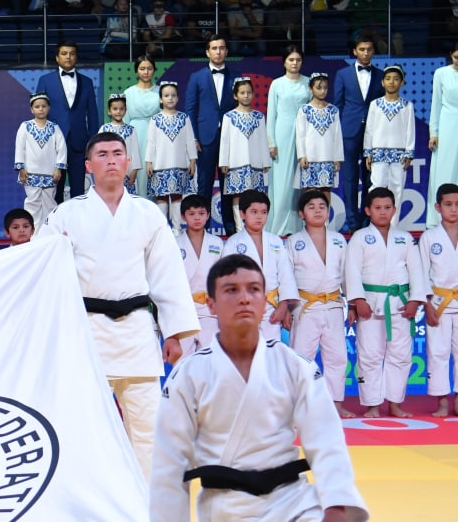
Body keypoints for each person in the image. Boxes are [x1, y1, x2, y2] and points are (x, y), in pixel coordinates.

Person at [151, 253, 368, 522]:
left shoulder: (293, 366)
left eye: (253, 289)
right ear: (211, 303)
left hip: (291, 498)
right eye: (231, 290)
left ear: (266, 299)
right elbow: (169, 460)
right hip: (228, 510)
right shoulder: (190, 374)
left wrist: (336, 506)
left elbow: (325, 437)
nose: (244, 299)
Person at [45, 132, 200, 479]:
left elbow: (167, 276)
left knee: (148, 428)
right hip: (86, 331)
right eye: (102, 154)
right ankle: (91, 497)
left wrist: (174, 333)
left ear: (128, 162)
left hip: (136, 331)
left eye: (118, 153)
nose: (111, 160)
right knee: (85, 428)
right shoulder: (66, 214)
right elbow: (43, 272)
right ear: (88, 166)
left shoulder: (147, 213)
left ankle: (149, 500)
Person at [346, 187, 427, 418]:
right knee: (369, 354)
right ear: (368, 210)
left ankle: (394, 403)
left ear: (394, 209)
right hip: (369, 304)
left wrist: (415, 300)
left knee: (400, 355)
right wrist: (357, 300)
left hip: (399, 304)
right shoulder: (360, 237)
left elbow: (416, 271)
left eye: (387, 208)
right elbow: (351, 270)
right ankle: (372, 405)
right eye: (377, 208)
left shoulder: (405, 238)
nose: (383, 212)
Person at [285, 190, 352, 417]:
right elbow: (287, 278)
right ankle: (299, 407)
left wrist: (352, 303)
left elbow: (347, 274)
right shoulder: (293, 242)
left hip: (333, 304)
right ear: (301, 213)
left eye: (322, 207)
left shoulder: (338, 240)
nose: (317, 211)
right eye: (311, 207)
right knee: (301, 357)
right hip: (304, 306)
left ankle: (335, 404)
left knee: (337, 357)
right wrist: (287, 308)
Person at [224, 191, 298, 342]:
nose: (259, 217)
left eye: (263, 212)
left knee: (271, 352)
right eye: (254, 212)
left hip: (271, 308)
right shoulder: (233, 243)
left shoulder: (275, 241)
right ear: (242, 214)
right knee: (245, 352)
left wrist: (283, 306)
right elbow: (226, 280)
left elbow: (286, 276)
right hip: (243, 308)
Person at [34, 42, 99, 201]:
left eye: (72, 53)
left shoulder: (87, 82)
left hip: (80, 144)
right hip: (53, 144)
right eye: (64, 53)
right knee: (54, 191)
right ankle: (56, 217)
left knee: (79, 191)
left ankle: (78, 218)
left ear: (76, 57)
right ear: (57, 58)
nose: (68, 57)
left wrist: (91, 145)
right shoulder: (45, 80)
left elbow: (92, 115)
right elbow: (39, 112)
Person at [332, 35, 384, 231]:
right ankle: (353, 222)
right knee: (350, 178)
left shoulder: (381, 75)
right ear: (354, 51)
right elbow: (338, 105)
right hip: (349, 131)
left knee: (372, 178)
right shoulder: (342, 74)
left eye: (369, 49)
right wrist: (336, 134)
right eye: (362, 49)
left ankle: (367, 220)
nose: (365, 53)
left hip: (374, 132)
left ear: (373, 51)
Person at [185, 36, 236, 232]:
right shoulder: (196, 77)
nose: (218, 52)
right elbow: (190, 109)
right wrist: (194, 137)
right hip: (204, 139)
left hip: (229, 139)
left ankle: (231, 229)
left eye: (222, 48)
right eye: (214, 48)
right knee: (204, 185)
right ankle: (201, 228)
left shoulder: (236, 76)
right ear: (207, 52)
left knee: (229, 186)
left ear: (227, 51)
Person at [265, 46, 311, 236]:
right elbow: (271, 115)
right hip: (282, 134)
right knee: (282, 182)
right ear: (284, 62)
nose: (294, 63)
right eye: (291, 59)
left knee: (301, 181)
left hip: (304, 134)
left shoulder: (308, 83)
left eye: (298, 60)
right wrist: (271, 142)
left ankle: (298, 226)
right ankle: (278, 226)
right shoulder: (277, 84)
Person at [219, 78, 272, 235]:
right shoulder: (229, 116)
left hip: (255, 162)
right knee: (237, 194)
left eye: (249, 92)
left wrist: (265, 160)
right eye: (242, 93)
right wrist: (224, 161)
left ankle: (255, 227)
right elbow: (225, 141)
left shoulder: (259, 116)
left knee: (255, 196)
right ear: (235, 95)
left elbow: (263, 139)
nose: (246, 95)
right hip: (235, 161)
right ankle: (239, 228)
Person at [422, 184, 458, 416]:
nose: (454, 209)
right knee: (438, 352)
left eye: (457, 204)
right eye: (448, 204)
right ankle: (442, 401)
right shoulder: (429, 237)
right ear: (438, 207)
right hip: (439, 303)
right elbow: (422, 274)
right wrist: (427, 305)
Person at [363, 65, 415, 220]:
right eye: (388, 79)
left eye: (396, 79)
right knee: (377, 187)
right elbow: (369, 130)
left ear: (402, 83)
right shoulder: (375, 104)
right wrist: (368, 152)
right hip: (378, 152)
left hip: (399, 153)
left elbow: (410, 130)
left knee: (397, 188)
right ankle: (375, 223)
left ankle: (393, 226)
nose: (392, 82)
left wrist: (409, 153)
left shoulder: (407, 105)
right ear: (382, 82)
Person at [146, 81, 197, 229]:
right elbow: (151, 142)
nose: (170, 98)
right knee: (161, 196)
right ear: (161, 99)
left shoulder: (184, 118)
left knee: (177, 195)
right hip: (159, 164)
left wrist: (192, 160)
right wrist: (149, 161)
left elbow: (190, 140)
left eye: (173, 95)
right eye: (166, 95)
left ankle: (176, 228)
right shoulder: (155, 119)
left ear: (178, 98)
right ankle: (162, 229)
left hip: (179, 164)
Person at [176, 195, 223, 356]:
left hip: (210, 310)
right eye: (191, 213)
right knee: (182, 361)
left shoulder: (217, 243)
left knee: (211, 359)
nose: (197, 218)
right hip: (183, 310)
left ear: (208, 215)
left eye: (201, 213)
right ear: (183, 216)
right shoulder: (174, 243)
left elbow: (224, 278)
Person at [15, 93, 66, 233]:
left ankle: (49, 233)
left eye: (44, 106)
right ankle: (32, 234)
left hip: (50, 173)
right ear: (32, 109)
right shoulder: (25, 126)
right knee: (32, 203)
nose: (41, 109)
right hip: (30, 173)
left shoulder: (54, 128)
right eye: (37, 106)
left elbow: (62, 148)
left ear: (49, 108)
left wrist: (59, 168)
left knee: (50, 204)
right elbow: (20, 148)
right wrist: (21, 168)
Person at [295, 73, 344, 202]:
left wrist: (337, 158)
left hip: (327, 156)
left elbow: (337, 135)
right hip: (310, 156)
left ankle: (325, 215)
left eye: (325, 88)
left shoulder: (333, 110)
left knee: (326, 189)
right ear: (310, 89)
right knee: (309, 190)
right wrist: (302, 156)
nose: (322, 91)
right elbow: (300, 135)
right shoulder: (304, 110)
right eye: (319, 87)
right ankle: (309, 215)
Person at [428, 42, 458, 227]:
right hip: (447, 125)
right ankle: (439, 219)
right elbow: (436, 104)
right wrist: (434, 132)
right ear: (451, 55)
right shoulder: (441, 73)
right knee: (445, 171)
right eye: (456, 57)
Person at [124, 57, 161, 198]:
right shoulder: (128, 93)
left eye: (149, 68)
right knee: (135, 172)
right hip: (135, 136)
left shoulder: (160, 91)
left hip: (156, 136)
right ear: (136, 71)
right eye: (142, 68)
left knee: (154, 174)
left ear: (154, 70)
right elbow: (124, 121)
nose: (146, 72)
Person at [99, 95, 141, 195]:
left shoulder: (131, 130)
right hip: (108, 171)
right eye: (115, 109)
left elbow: (135, 152)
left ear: (125, 110)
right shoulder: (104, 129)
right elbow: (99, 151)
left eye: (121, 109)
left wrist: (134, 170)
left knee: (127, 198)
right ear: (109, 111)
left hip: (128, 172)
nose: (118, 111)